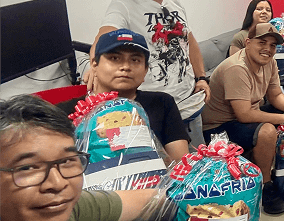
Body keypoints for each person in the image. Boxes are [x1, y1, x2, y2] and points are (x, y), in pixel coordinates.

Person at [0, 94, 269, 221]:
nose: (57, 183)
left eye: (68, 160)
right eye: (28, 168)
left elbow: (147, 202)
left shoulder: (68, 214)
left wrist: (231, 214)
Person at [85, 0, 209, 138]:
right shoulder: (123, 5)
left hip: (189, 104)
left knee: (195, 165)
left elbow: (189, 40)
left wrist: (201, 77)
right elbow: (105, 34)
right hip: (152, 109)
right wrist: (96, 66)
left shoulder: (174, 1)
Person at [201, 22, 284, 215]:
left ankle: (278, 169)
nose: (267, 49)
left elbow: (275, 94)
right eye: (262, 42)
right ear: (248, 43)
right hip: (219, 128)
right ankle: (266, 186)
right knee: (267, 130)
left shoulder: (269, 62)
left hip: (245, 115)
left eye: (273, 45)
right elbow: (244, 115)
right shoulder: (236, 68)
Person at [58, 29, 190, 163]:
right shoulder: (66, 113)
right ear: (94, 65)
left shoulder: (162, 103)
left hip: (155, 182)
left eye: (135, 60)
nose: (126, 66)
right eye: (114, 58)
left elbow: (180, 163)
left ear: (145, 70)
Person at [230, 0, 284, 104]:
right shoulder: (240, 37)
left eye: (268, 10)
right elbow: (235, 64)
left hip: (282, 77)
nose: (264, 12)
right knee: (279, 92)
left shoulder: (277, 35)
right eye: (259, 9)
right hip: (258, 80)